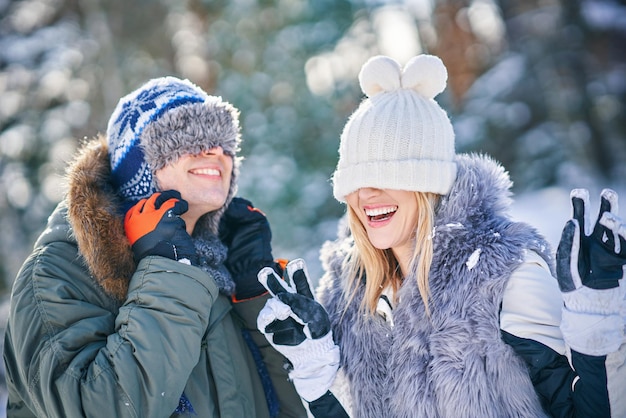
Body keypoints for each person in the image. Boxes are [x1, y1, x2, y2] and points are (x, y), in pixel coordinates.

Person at [255, 55, 626, 417]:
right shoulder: (350, 299)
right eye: (355, 180)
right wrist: (319, 377)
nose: (366, 194)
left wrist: (598, 338)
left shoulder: (501, 275)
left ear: (426, 183)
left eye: (387, 175)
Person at [2, 76, 307, 417]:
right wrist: (168, 273)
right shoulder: (56, 273)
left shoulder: (223, 271)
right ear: (139, 169)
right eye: (188, 137)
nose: (215, 152)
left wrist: (255, 303)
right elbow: (100, 408)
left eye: (224, 142)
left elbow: (298, 405)